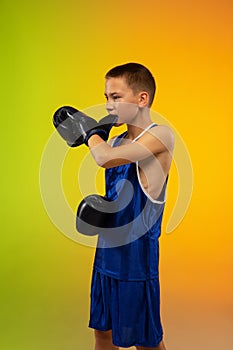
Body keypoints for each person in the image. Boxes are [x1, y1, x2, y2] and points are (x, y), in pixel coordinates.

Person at [53, 62, 174, 350]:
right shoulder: (118, 139)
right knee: (102, 334)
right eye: (107, 97)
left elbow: (104, 158)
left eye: (116, 97)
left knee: (146, 342)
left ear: (142, 99)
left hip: (137, 262)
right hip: (107, 256)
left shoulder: (161, 136)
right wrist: (103, 213)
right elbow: (120, 193)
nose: (108, 105)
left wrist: (88, 132)